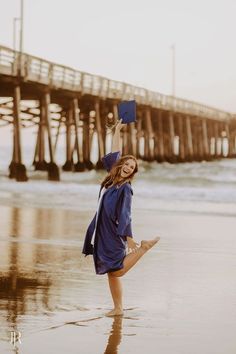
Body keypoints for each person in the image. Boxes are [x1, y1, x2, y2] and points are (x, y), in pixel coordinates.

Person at [82, 119, 160, 316]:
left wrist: (128, 237)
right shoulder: (111, 179)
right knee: (112, 272)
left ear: (133, 172)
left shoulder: (125, 188)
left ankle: (143, 248)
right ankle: (118, 308)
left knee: (117, 270)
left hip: (113, 232)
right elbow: (115, 151)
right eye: (126, 163)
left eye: (132, 167)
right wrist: (117, 130)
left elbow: (125, 213)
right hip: (102, 229)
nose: (127, 167)